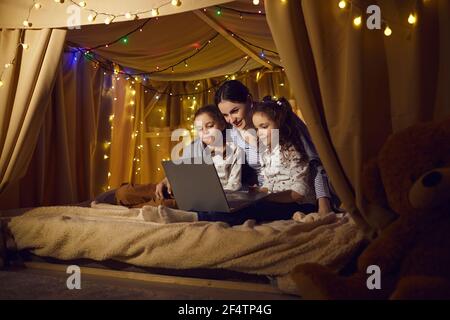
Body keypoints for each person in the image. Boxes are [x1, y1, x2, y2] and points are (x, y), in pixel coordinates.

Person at [152, 97, 321, 226]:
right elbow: (269, 182)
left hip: (292, 201)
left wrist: (264, 197)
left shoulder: (292, 151)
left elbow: (300, 189)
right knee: (229, 206)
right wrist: (259, 193)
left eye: (263, 127)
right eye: (226, 115)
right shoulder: (266, 151)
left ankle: (189, 216)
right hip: (264, 197)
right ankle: (186, 212)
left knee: (238, 211)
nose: (231, 119)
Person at [215, 80, 338, 214]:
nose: (231, 120)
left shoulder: (279, 118)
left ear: (249, 100)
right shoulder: (234, 133)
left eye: (235, 111)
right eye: (225, 115)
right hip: (267, 195)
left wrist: (323, 203)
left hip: (297, 196)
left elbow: (314, 162)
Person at [115, 104, 243, 207]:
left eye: (210, 126)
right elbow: (178, 172)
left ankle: (132, 207)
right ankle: (128, 201)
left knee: (162, 204)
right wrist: (166, 180)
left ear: (221, 124)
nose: (205, 132)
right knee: (123, 193)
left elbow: (233, 189)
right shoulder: (193, 147)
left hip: (197, 199)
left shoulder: (235, 149)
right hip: (176, 190)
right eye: (199, 129)